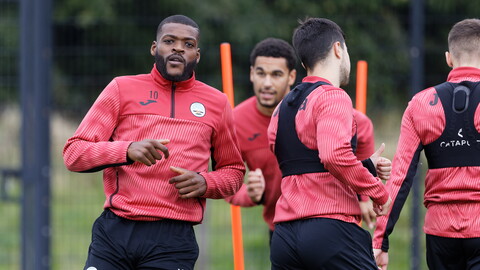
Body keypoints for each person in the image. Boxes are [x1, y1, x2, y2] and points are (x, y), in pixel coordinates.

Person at [63, 14, 245, 270]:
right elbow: (74, 153)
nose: (178, 48)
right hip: (116, 231)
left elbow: (234, 172)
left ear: (198, 55)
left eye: (188, 44)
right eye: (169, 41)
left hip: (174, 239)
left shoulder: (217, 103)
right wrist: (127, 150)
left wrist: (206, 182)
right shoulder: (120, 88)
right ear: (154, 48)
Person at [226, 38, 382, 241]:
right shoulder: (236, 121)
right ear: (251, 74)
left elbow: (363, 127)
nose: (267, 83)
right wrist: (252, 195)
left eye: (276, 75)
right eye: (261, 73)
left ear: (291, 76)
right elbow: (226, 182)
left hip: (327, 221)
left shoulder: (314, 105)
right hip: (281, 226)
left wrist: (362, 195)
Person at [267, 17, 392, 269]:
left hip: (284, 237)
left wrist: (365, 164)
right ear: (338, 49)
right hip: (330, 231)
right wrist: (378, 192)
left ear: (303, 63)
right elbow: (333, 155)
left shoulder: (281, 108)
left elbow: (304, 160)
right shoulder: (333, 96)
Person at [373, 18, 480, 270]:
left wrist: (380, 240)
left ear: (448, 58)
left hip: (439, 233)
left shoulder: (420, 104)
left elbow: (400, 177)